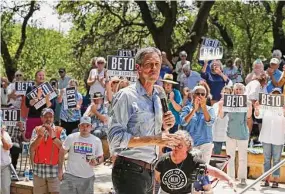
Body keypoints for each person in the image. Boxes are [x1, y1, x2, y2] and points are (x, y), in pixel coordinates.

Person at [107, 47, 180, 194]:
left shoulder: (158, 95)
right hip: (129, 171)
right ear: (138, 68)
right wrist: (154, 139)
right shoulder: (126, 96)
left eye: (157, 64)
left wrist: (166, 125)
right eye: (149, 64)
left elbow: (153, 130)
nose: (154, 68)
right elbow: (114, 139)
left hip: (149, 171)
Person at [155, 130, 234, 194]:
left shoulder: (193, 161)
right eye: (174, 145)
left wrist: (229, 180)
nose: (175, 148)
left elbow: (213, 171)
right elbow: (157, 178)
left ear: (188, 147)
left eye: (179, 145)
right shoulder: (163, 159)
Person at [58, 116, 104, 194]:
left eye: (87, 125)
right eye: (82, 125)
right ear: (79, 126)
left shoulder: (96, 141)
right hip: (70, 176)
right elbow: (62, 152)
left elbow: (101, 157)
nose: (85, 128)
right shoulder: (71, 137)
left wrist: (97, 161)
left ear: (91, 127)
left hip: (88, 178)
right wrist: (60, 170)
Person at [218, 83, 252, 185]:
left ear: (243, 91)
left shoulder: (247, 102)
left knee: (242, 158)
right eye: (236, 89)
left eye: (240, 89)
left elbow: (249, 117)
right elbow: (221, 116)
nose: (238, 91)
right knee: (230, 157)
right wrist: (221, 107)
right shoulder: (229, 101)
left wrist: (250, 108)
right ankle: (230, 178)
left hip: (243, 134)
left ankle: (242, 178)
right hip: (230, 133)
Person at [30, 108, 67, 194]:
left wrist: (53, 136)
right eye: (45, 116)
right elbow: (32, 148)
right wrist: (39, 136)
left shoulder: (60, 130)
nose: (48, 119)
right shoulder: (36, 130)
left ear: (53, 118)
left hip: (54, 170)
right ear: (41, 118)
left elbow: (64, 149)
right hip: (39, 170)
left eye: (50, 116)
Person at [254, 88, 285, 188]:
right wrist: (257, 109)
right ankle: (266, 180)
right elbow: (258, 116)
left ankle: (275, 180)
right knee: (266, 159)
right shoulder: (265, 107)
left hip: (278, 138)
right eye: (273, 94)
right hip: (266, 137)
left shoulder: (283, 107)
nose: (275, 96)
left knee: (277, 160)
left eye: (277, 95)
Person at [180, 85, 215, 164]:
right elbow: (183, 122)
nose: (200, 96)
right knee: (190, 169)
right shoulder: (187, 108)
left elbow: (209, 122)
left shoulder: (210, 109)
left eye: (203, 94)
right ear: (193, 95)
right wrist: (194, 110)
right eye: (198, 93)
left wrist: (203, 108)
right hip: (190, 144)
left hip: (205, 143)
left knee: (203, 169)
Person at [25, 70, 53, 139]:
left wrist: (47, 98)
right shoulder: (31, 88)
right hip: (33, 117)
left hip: (45, 118)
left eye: (43, 75)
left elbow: (49, 106)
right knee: (31, 137)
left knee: (44, 138)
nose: (41, 77)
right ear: (35, 77)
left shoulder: (48, 88)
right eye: (40, 75)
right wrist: (38, 97)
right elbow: (28, 104)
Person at [212, 86, 232, 155]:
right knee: (216, 155)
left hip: (228, 134)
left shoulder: (232, 106)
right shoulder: (215, 105)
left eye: (228, 93)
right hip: (217, 134)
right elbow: (215, 118)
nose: (225, 94)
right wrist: (220, 107)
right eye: (224, 92)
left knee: (230, 154)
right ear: (221, 93)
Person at [1, 124, 13, 194]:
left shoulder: (5, 134)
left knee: (5, 189)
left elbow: (7, 147)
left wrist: (1, 137)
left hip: (4, 166)